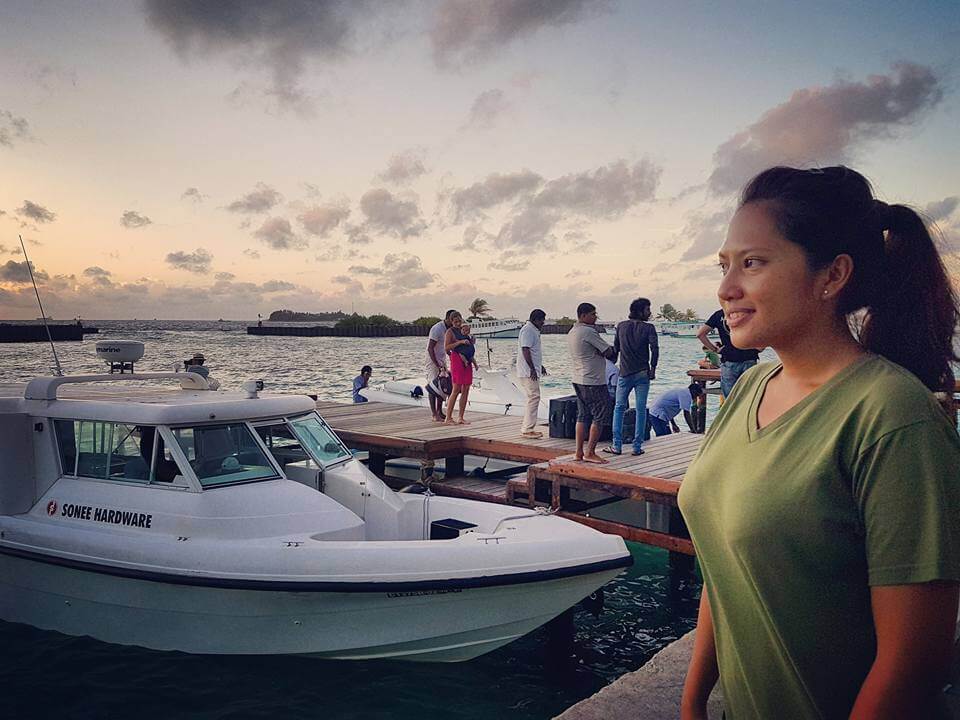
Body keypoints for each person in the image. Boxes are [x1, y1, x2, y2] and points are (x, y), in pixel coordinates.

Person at [679, 166, 960, 720]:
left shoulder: (892, 415)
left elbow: (914, 658)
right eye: (725, 265)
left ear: (832, 275)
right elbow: (725, 562)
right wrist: (693, 702)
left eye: (752, 263)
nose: (726, 288)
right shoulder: (753, 386)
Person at [605, 297, 659, 456]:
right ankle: (636, 446)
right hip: (643, 373)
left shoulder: (621, 326)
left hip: (624, 373)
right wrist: (653, 368)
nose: (649, 313)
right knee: (641, 409)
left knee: (619, 408)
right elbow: (655, 349)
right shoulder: (649, 328)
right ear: (640, 311)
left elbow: (616, 348)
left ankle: (617, 445)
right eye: (648, 309)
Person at [566, 302, 616, 463]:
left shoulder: (572, 331)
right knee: (600, 415)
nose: (595, 317)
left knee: (583, 416)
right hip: (593, 380)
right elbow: (609, 352)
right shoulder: (588, 332)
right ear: (583, 315)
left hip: (578, 378)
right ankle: (590, 452)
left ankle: (578, 452)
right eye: (593, 314)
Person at [697, 307, 760, 398]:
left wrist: (715, 349)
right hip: (749, 358)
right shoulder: (749, 312)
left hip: (729, 359)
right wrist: (758, 348)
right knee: (750, 398)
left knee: (730, 399)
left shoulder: (719, 315)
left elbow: (700, 334)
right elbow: (768, 329)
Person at [516, 308, 548, 438]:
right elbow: (525, 350)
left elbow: (532, 352)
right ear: (535, 319)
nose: (543, 323)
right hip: (528, 371)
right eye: (541, 320)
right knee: (534, 397)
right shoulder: (528, 330)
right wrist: (532, 369)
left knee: (533, 397)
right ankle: (527, 429)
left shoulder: (532, 330)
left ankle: (528, 428)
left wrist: (540, 366)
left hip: (531, 369)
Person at [443, 313, 476, 425]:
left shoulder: (464, 330)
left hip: (467, 359)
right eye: (455, 321)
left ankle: (461, 417)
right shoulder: (450, 332)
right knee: (456, 388)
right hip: (457, 359)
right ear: (451, 321)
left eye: (459, 321)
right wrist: (459, 342)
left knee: (466, 387)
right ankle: (448, 417)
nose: (458, 323)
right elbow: (447, 347)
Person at [426, 310, 457, 421]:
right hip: (433, 359)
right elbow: (430, 348)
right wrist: (436, 364)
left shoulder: (449, 330)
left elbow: (447, 345)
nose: (454, 322)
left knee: (442, 384)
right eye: (453, 319)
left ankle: (440, 411)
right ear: (448, 318)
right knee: (433, 386)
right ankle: (434, 414)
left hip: (442, 358)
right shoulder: (437, 328)